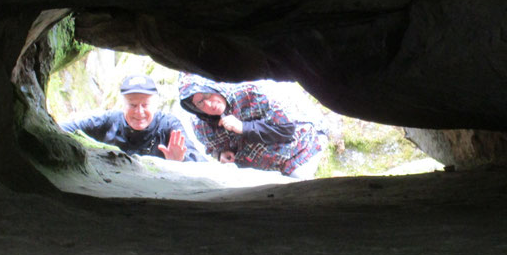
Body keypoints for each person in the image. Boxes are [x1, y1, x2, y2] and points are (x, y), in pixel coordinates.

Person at [177, 73, 326, 179]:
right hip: (262, 172)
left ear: (212, 87)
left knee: (299, 189)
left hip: (298, 153)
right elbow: (212, 149)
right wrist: (220, 155)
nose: (209, 104)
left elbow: (287, 129)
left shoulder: (250, 92)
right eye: (200, 103)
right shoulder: (201, 126)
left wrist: (244, 127)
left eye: (207, 95)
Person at [60, 74, 207, 162]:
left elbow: (200, 163)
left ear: (156, 104)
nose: (139, 112)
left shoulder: (168, 125)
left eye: (145, 105)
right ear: (123, 104)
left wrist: (180, 161)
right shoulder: (109, 121)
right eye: (132, 105)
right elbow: (62, 129)